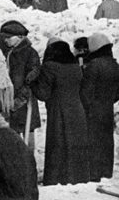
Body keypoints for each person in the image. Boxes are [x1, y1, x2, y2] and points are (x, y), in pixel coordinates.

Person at [30, 40, 91, 186]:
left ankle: (57, 178)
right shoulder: (75, 66)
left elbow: (43, 93)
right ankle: (77, 177)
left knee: (58, 146)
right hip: (77, 110)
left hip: (59, 111)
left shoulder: (50, 67)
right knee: (75, 145)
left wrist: (32, 83)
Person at [81, 33, 119, 181]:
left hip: (92, 111)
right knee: (106, 142)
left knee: (93, 142)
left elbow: (86, 93)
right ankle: (106, 172)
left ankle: (93, 174)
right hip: (107, 110)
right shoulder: (115, 65)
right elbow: (118, 94)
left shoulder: (93, 65)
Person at [0, 21, 41, 148]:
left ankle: (29, 160)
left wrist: (20, 100)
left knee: (27, 137)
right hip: (10, 102)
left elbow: (32, 79)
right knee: (12, 139)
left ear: (20, 37)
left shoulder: (30, 54)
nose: (6, 40)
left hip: (25, 103)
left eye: (9, 37)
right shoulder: (7, 52)